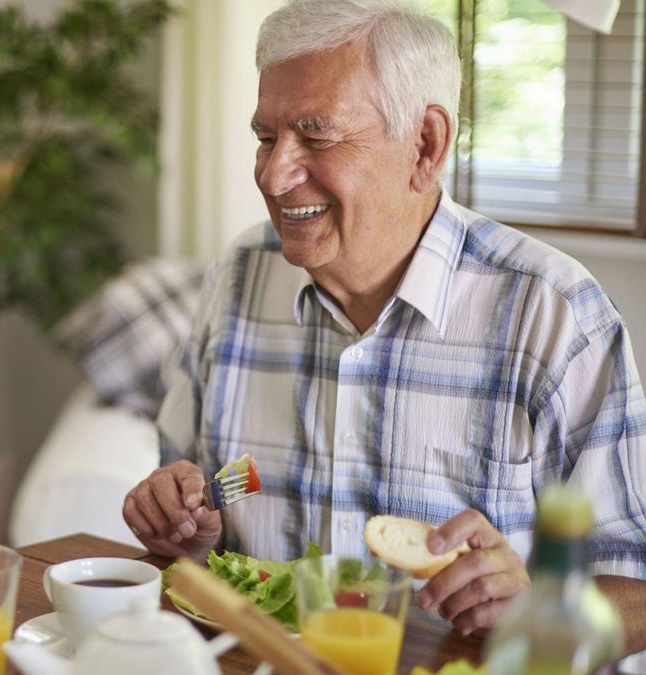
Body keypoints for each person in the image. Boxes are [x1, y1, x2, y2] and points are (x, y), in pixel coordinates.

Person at [122, 0, 646, 657]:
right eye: (266, 137)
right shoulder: (237, 278)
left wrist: (539, 600)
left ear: (425, 145)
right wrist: (186, 525)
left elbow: (637, 586)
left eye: (315, 135)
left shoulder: (553, 313)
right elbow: (206, 498)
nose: (272, 173)